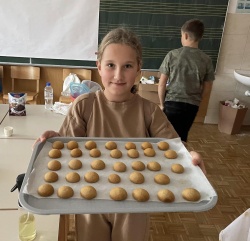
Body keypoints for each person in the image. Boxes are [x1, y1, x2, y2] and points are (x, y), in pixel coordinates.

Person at [35, 27, 206, 241]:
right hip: (89, 201)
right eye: (110, 65)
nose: (118, 75)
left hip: (134, 204)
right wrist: (55, 140)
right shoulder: (84, 106)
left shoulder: (149, 111)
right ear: (99, 67)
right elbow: (67, 148)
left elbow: (174, 148)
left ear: (138, 70)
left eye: (127, 66)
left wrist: (191, 156)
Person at [158, 19, 215, 142]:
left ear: (185, 35)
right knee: (182, 136)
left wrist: (162, 104)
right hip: (192, 106)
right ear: (201, 37)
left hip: (172, 102)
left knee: (167, 137)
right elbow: (208, 86)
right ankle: (182, 158)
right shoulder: (206, 59)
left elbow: (162, 84)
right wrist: (198, 99)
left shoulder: (172, 55)